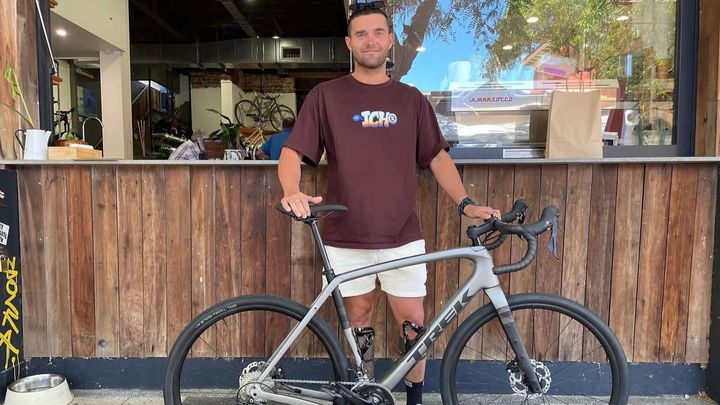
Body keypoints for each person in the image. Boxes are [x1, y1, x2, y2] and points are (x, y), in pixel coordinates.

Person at [277, 3, 499, 404]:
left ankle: (414, 399)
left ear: (391, 40)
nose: (371, 41)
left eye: (378, 32)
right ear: (349, 43)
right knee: (358, 319)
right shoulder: (326, 96)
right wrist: (291, 190)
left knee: (414, 325)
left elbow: (437, 157)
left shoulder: (411, 100)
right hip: (345, 237)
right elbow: (292, 152)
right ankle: (365, 394)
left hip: (402, 235)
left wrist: (466, 203)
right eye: (361, 34)